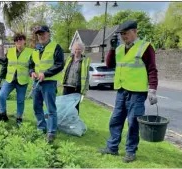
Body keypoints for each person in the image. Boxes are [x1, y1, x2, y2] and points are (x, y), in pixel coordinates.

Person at [98, 20, 158, 163]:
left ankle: (130, 152)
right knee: (116, 120)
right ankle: (112, 147)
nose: (123, 37)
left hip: (137, 93)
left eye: (126, 33)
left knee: (133, 123)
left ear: (135, 31)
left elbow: (152, 69)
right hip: (122, 90)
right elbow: (109, 64)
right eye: (121, 34)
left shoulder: (145, 47)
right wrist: (111, 49)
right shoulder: (119, 49)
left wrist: (152, 90)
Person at [29, 25, 65, 143]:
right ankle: (41, 127)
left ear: (48, 34)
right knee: (36, 106)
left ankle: (51, 132)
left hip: (49, 82)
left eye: (43, 34)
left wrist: (46, 73)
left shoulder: (56, 47)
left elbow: (60, 64)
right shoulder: (36, 49)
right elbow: (31, 64)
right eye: (39, 34)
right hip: (37, 82)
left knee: (50, 109)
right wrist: (32, 72)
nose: (41, 36)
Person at [0, 33, 33, 126]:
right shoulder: (10, 51)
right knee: (1, 96)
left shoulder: (31, 52)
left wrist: (33, 74)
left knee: (20, 100)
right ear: (15, 42)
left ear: (24, 41)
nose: (18, 41)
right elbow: (5, 65)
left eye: (21, 39)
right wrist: (0, 77)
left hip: (22, 81)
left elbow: (32, 66)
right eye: (16, 40)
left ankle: (19, 118)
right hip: (10, 80)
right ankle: (3, 114)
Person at [62, 42, 90, 114]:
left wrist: (85, 90)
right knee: (65, 105)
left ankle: (74, 123)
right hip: (67, 86)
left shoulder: (85, 61)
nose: (77, 51)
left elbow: (87, 77)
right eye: (76, 49)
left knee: (75, 107)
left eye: (79, 49)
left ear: (82, 50)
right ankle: (65, 121)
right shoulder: (69, 58)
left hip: (76, 88)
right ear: (73, 50)